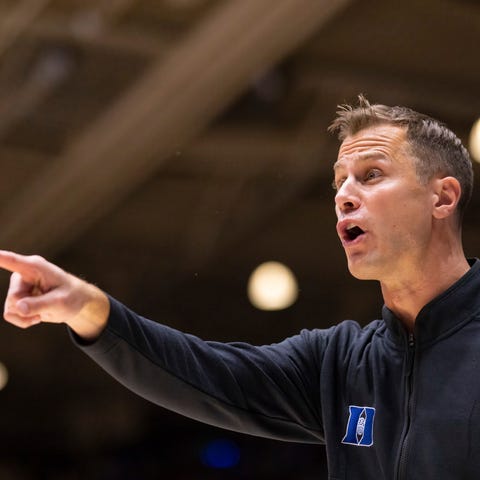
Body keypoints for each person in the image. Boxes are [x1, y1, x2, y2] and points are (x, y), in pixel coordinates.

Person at [1, 96, 478, 479]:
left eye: (371, 175)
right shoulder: (340, 363)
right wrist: (88, 307)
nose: (344, 196)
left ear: (442, 197)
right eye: (338, 182)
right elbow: (203, 373)